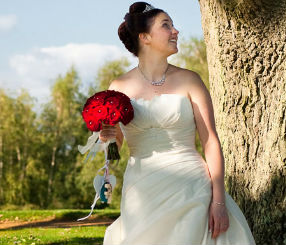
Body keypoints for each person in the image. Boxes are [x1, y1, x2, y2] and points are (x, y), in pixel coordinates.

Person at [98, 2, 256, 244]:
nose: (175, 31)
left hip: (192, 185)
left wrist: (218, 201)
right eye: (166, 25)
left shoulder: (190, 80)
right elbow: (114, 152)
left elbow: (210, 140)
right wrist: (107, 137)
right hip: (142, 188)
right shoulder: (118, 87)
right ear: (145, 37)